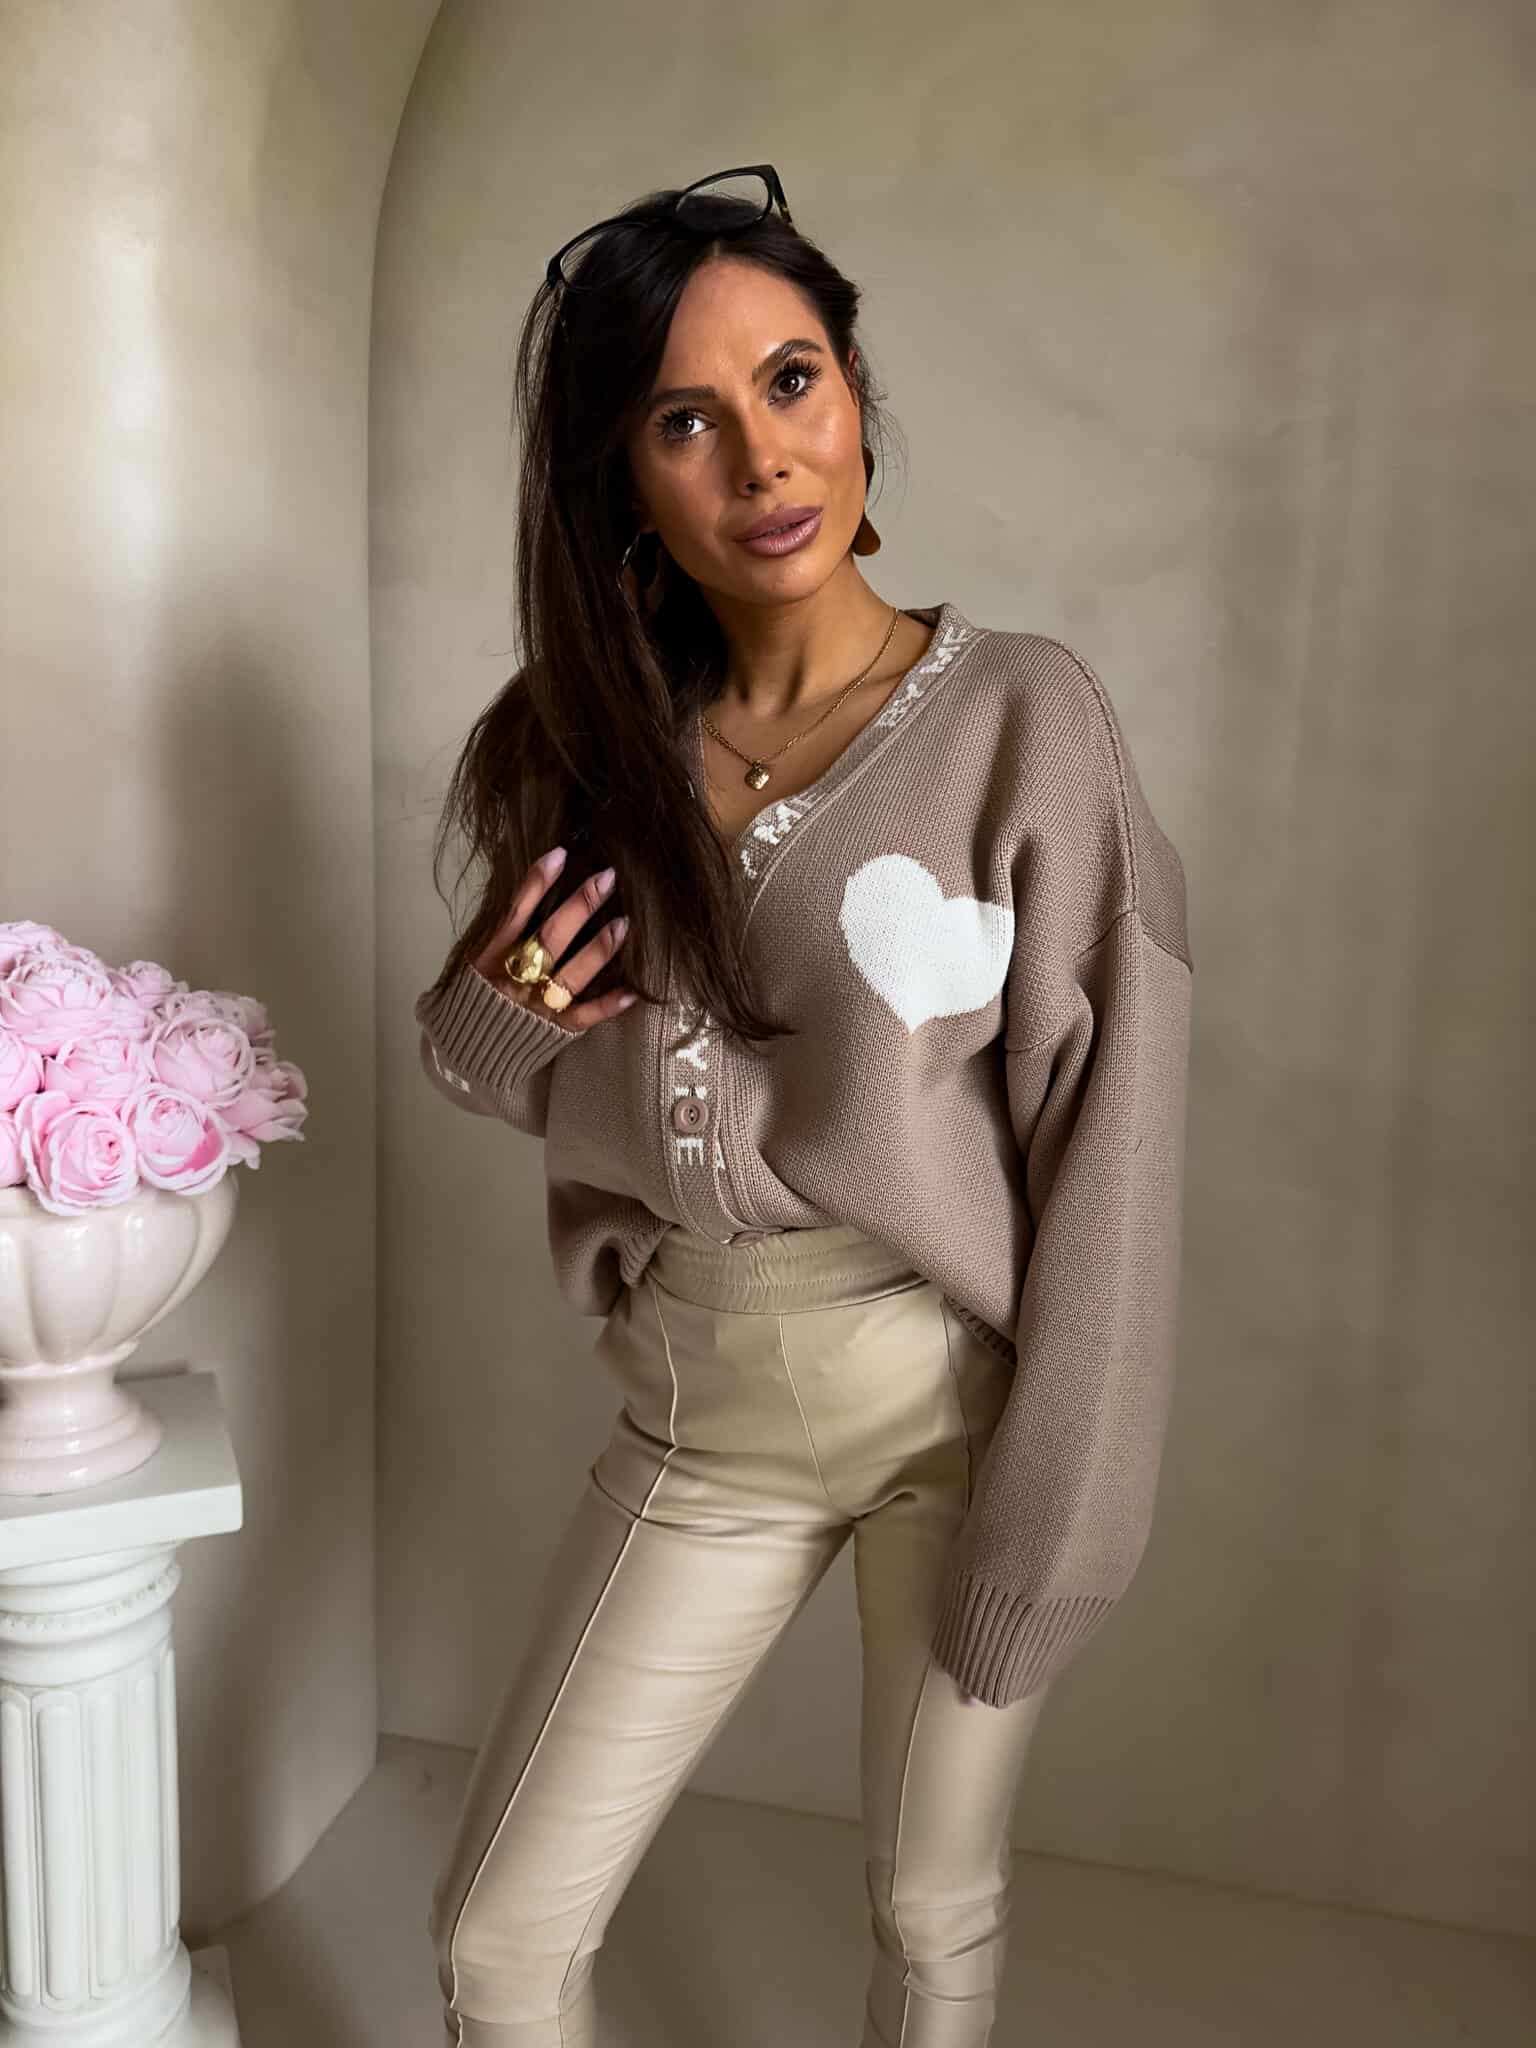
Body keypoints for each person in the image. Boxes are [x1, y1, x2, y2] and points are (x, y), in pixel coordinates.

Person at [415, 166, 1194, 2048]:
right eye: (685, 420)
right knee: (498, 1946)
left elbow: (1116, 1150)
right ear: (625, 476)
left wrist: (1056, 1523)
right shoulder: (586, 740)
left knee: (933, 1915)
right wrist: (493, 1018)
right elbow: (486, 1058)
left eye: (793, 381)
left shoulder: (1024, 720)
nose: (763, 458)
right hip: (699, 1402)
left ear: (854, 396)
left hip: (949, 1401)